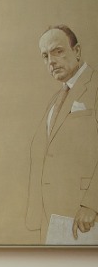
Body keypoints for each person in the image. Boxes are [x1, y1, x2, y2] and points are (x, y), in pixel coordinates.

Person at [24, 25, 97, 243]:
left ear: (77, 51)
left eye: (58, 51)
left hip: (84, 219)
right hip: (52, 218)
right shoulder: (57, 98)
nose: (51, 62)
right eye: (45, 56)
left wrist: (92, 204)